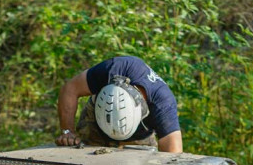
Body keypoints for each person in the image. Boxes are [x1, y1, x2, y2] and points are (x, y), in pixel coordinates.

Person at [55, 55, 183, 154]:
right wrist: (67, 132)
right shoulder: (115, 68)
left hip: (139, 136)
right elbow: (70, 89)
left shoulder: (164, 106)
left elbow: (173, 158)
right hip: (94, 122)